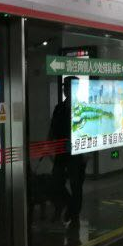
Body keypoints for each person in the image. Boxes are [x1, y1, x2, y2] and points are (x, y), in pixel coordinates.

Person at [49, 76, 87, 230]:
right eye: (65, 87)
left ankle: (74, 214)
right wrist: (48, 146)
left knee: (76, 185)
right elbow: (52, 129)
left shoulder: (82, 108)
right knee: (56, 182)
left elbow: (89, 131)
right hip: (61, 152)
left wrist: (87, 154)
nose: (66, 89)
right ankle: (71, 206)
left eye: (69, 87)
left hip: (77, 153)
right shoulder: (59, 108)